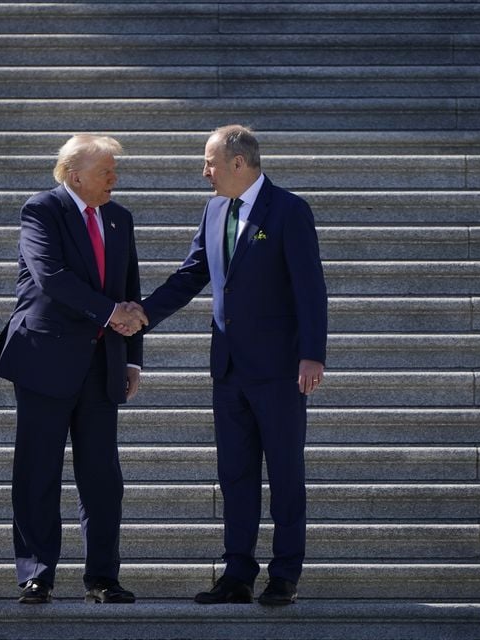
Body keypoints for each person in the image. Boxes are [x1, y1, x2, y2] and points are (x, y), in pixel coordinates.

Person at [139, 125, 327, 606]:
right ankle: (237, 573)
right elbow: (191, 274)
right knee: (235, 474)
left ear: (238, 163)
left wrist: (312, 353)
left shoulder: (289, 211)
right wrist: (142, 314)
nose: (205, 172)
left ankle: (284, 574)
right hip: (228, 369)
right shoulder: (215, 209)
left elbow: (310, 287)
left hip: (281, 369)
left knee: (285, 472)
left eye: (210, 163)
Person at [0, 135, 148, 604]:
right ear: (75, 175)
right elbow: (50, 276)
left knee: (103, 476)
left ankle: (102, 576)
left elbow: (129, 286)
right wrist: (108, 314)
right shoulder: (42, 210)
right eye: (107, 172)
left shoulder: (120, 218)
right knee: (38, 471)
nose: (114, 179)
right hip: (46, 359)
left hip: (103, 363)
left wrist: (132, 354)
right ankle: (36, 573)